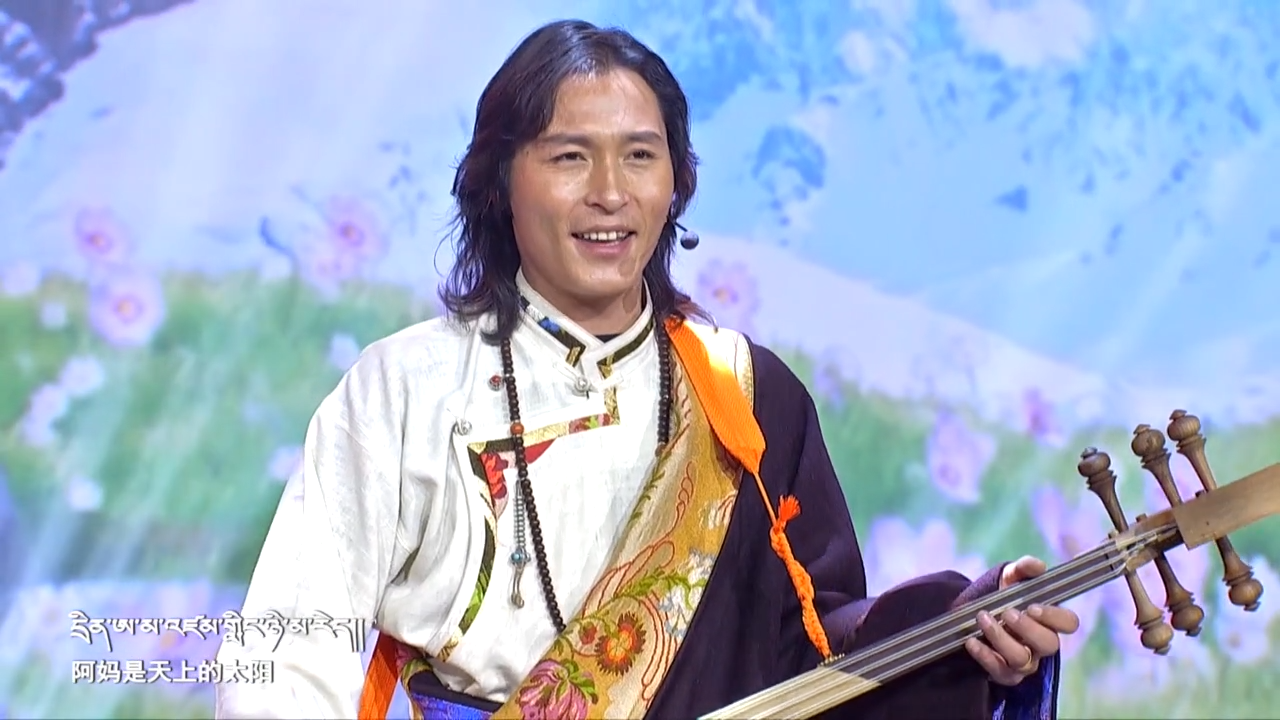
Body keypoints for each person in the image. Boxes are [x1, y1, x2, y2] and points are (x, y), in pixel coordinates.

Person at [214, 19, 1079, 720]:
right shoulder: (404, 388)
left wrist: (961, 634)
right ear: (497, 183)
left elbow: (815, 650)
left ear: (677, 184)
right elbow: (290, 650)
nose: (610, 192)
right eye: (569, 156)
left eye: (639, 155)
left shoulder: (747, 393)